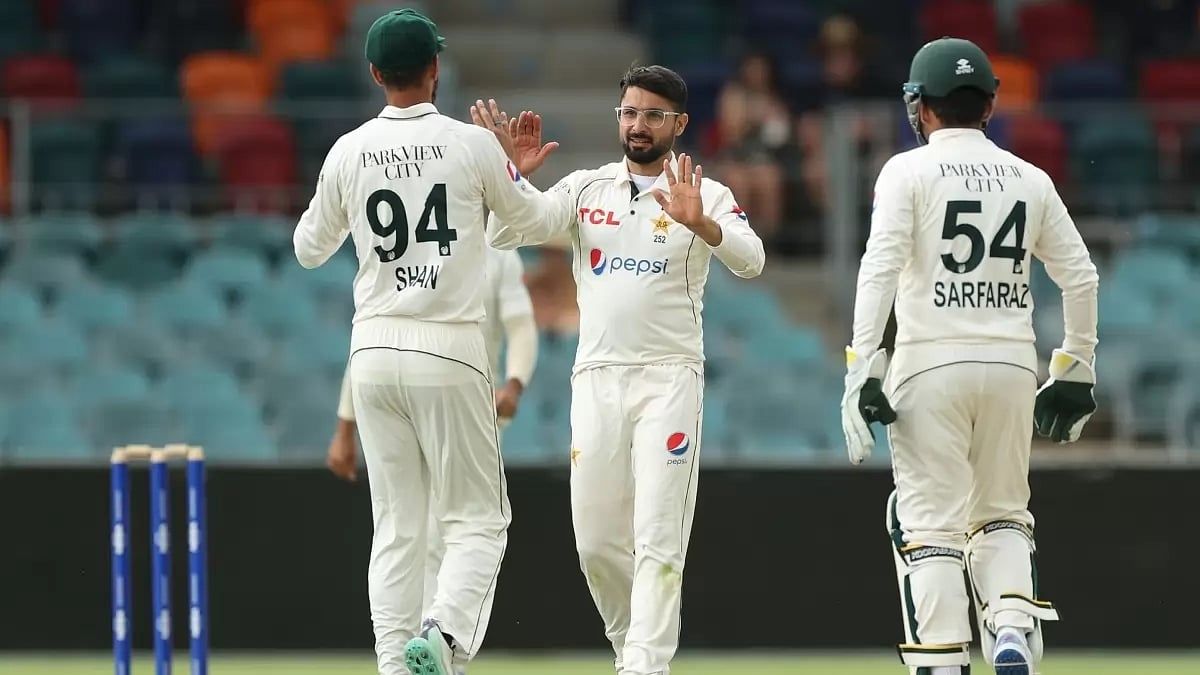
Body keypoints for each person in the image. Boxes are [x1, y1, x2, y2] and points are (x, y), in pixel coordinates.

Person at [291, 8, 566, 675]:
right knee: (478, 519)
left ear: (375, 72)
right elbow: (534, 222)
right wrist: (515, 172)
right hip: (448, 344)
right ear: (436, 68)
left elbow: (307, 249)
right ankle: (442, 638)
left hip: (375, 353)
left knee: (398, 527)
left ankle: (396, 665)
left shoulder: (349, 150)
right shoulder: (473, 146)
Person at [476, 64, 766, 675]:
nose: (637, 125)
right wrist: (510, 179)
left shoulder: (703, 193)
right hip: (598, 378)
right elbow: (506, 233)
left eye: (653, 115)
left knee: (660, 536)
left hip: (670, 380)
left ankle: (644, 665)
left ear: (679, 124)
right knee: (596, 545)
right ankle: (631, 652)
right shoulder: (587, 189)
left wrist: (701, 225)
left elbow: (753, 259)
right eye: (629, 113)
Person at [840, 38, 1098, 675]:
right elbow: (1081, 276)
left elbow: (879, 269)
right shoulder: (1029, 178)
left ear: (919, 106)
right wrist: (1076, 365)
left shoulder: (906, 172)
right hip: (1012, 365)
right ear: (989, 106)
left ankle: (943, 660)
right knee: (1003, 513)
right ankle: (1009, 625)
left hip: (929, 365)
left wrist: (862, 363)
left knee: (928, 525)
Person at [325, 243, 539, 625]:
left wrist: (514, 384)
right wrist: (344, 428)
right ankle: (431, 641)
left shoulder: (498, 252)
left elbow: (521, 325)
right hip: (416, 400)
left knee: (438, 532)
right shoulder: (410, 243)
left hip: (468, 409)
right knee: (411, 532)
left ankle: (430, 642)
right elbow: (374, 333)